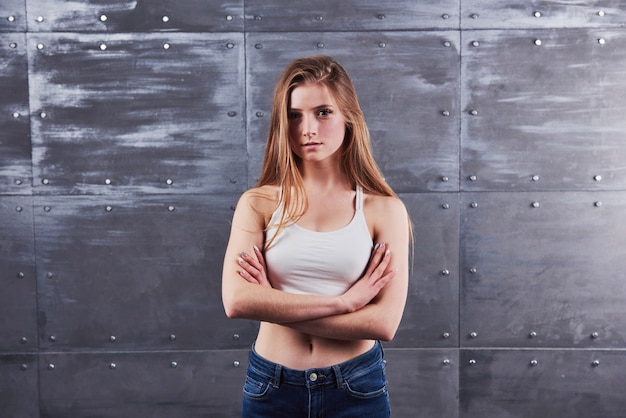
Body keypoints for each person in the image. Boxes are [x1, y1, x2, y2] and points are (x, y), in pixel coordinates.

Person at [222, 55, 410, 417]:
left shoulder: (383, 210)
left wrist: (274, 303)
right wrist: (346, 303)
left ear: (348, 117)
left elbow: (383, 323)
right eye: (295, 115)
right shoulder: (258, 203)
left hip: (356, 387)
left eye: (323, 112)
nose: (308, 128)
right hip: (271, 387)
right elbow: (237, 301)